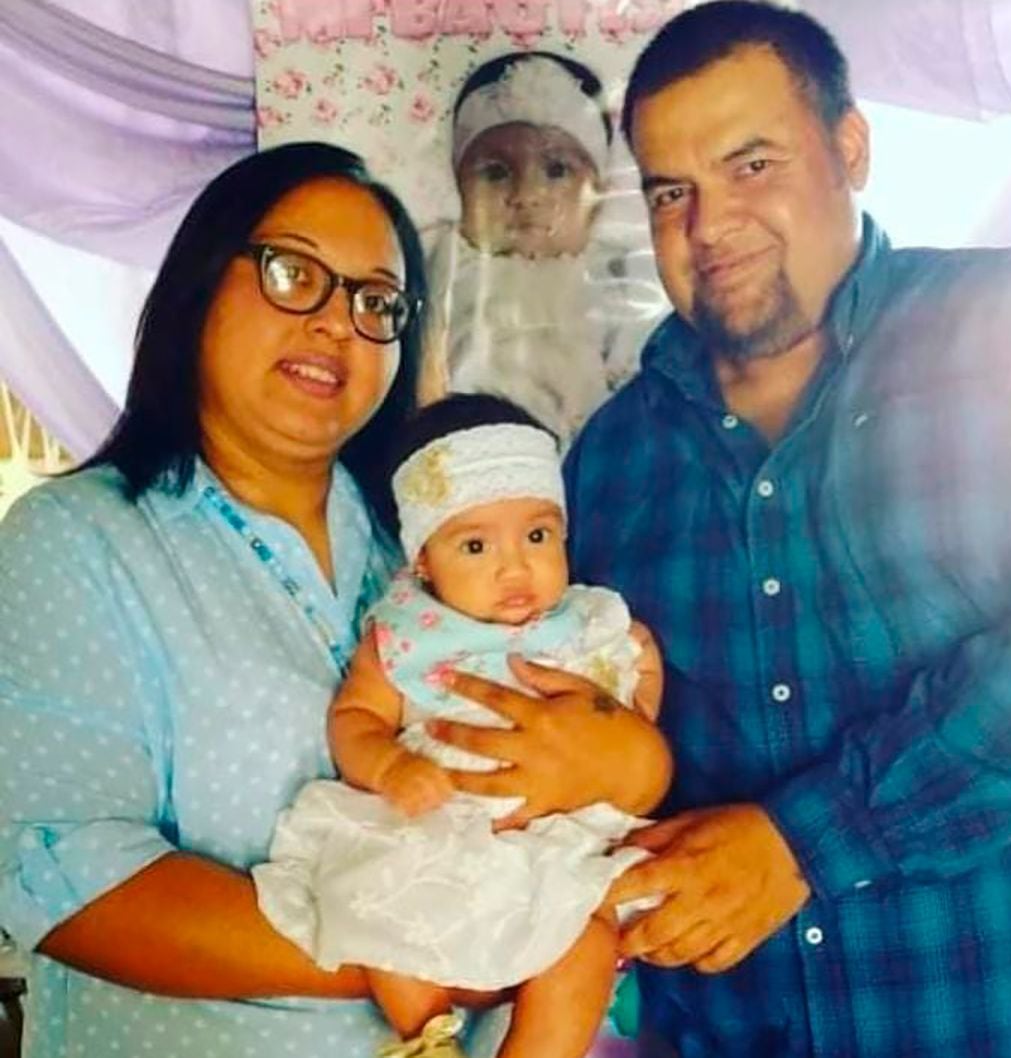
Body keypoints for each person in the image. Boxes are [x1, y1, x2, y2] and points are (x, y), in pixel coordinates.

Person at [0, 143, 669, 1058]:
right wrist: (440, 944)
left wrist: (627, 761)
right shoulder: (77, 541)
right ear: (201, 285)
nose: (335, 324)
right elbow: (56, 873)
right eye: (293, 273)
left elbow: (610, 756)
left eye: (376, 302)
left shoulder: (435, 550)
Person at [561, 3, 1011, 1056]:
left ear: (851, 149)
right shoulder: (609, 459)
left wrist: (802, 843)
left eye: (752, 165)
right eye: (671, 191)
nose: (709, 227)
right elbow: (610, 741)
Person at [253, 393, 667, 1058]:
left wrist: (637, 697)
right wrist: (390, 766)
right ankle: (429, 1040)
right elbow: (356, 717)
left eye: (538, 536)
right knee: (369, 908)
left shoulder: (589, 621)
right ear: (423, 560)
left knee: (585, 945)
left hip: (553, 846)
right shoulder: (407, 636)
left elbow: (635, 699)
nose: (515, 567)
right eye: (475, 545)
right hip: (437, 830)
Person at [424, 51, 666, 443]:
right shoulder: (441, 263)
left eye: (557, 170)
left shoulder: (620, 275)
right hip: (463, 456)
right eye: (495, 172)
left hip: (587, 462)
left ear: (598, 193)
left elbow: (645, 389)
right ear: (458, 185)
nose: (528, 195)